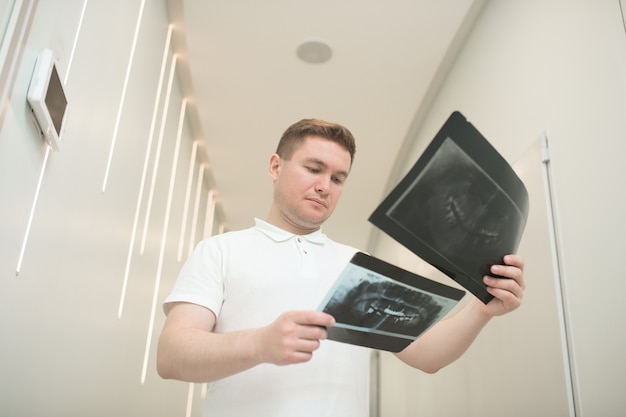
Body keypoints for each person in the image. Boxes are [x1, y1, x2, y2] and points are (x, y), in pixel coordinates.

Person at [156, 118, 525, 417]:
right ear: (275, 166)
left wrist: (481, 311)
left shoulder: (359, 268)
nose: (324, 186)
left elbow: (426, 355)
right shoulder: (220, 251)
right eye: (313, 169)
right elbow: (172, 356)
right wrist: (260, 343)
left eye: (337, 178)